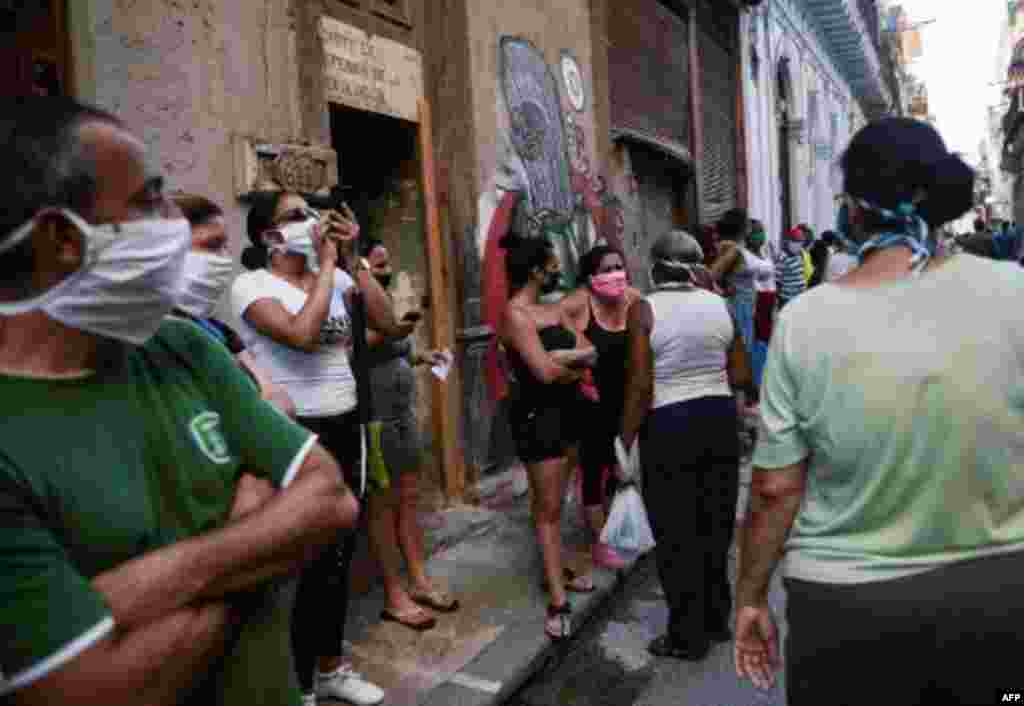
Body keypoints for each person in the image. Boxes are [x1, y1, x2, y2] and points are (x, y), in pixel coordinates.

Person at [0, 97, 359, 706]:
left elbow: (329, 499)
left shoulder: (179, 345)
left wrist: (141, 590)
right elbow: (89, 691)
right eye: (148, 202)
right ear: (63, 238)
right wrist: (259, 538)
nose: (172, 224)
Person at [733, 117, 1024, 704]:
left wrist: (750, 598)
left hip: (847, 613)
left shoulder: (805, 323)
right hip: (1000, 599)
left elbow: (775, 489)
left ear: (853, 211)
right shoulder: (1013, 290)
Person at [232, 191, 400, 706]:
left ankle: (329, 667)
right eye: (295, 215)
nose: (310, 221)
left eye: (311, 212)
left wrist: (350, 262)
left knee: (339, 553)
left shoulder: (339, 274)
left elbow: (388, 323)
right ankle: (297, 680)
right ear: (269, 235)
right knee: (299, 560)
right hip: (293, 432)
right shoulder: (252, 286)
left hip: (344, 422)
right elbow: (303, 334)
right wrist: (327, 268)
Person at [619, 229, 742, 661]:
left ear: (655, 267)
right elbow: (741, 373)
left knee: (676, 534)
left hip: (670, 423)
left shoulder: (644, 310)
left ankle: (687, 636)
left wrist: (624, 443)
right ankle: (716, 619)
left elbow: (639, 385)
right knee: (715, 525)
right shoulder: (720, 305)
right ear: (694, 268)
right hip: (719, 418)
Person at [499, 232, 597, 641]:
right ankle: (557, 598)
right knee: (549, 507)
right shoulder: (515, 315)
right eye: (552, 263)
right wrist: (565, 365)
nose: (558, 268)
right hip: (538, 417)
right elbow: (543, 373)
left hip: (569, 411)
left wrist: (563, 359)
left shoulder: (553, 310)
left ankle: (558, 569)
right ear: (536, 270)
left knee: (559, 500)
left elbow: (590, 351)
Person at [359, 238, 459, 630]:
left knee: (409, 499)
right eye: (377, 264)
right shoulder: (349, 298)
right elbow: (353, 349)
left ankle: (418, 580)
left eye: (387, 263)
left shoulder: (382, 299)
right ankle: (394, 594)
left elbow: (395, 348)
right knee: (382, 507)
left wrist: (421, 355)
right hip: (376, 421)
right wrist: (393, 329)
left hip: (403, 416)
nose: (385, 270)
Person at [171, 192, 296, 417]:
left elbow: (280, 403)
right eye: (212, 245)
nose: (225, 258)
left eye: (225, 246)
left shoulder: (219, 331)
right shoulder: (136, 343)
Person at [561, 244, 642, 571]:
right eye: (606, 269)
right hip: (592, 402)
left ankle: (617, 523)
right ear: (591, 276)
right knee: (593, 470)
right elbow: (550, 325)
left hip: (629, 400)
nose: (614, 275)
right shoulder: (580, 303)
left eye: (618, 267)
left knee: (622, 469)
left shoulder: (635, 300)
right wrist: (577, 361)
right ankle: (599, 539)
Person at [775, 227, 807, 310]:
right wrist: (776, 302)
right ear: (789, 241)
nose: (798, 244)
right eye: (795, 241)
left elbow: (800, 275)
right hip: (787, 299)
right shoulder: (782, 257)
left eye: (800, 241)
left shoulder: (799, 255)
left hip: (799, 298)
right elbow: (777, 281)